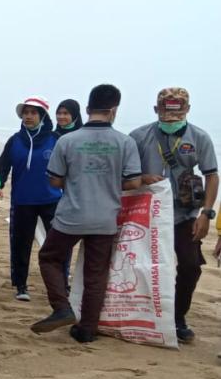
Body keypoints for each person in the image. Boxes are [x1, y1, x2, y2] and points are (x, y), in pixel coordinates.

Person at [31, 84, 142, 343]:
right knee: (96, 273)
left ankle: (61, 307)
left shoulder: (68, 140)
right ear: (114, 110)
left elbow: (55, 182)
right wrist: (109, 180)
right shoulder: (125, 142)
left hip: (71, 215)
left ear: (88, 109)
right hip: (105, 218)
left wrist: (78, 178)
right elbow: (134, 182)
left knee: (49, 258)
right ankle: (87, 330)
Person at [130, 87, 217, 343]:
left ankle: (177, 318)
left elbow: (212, 175)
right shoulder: (139, 136)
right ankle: (142, 311)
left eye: (177, 116)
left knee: (190, 266)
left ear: (187, 110)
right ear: (156, 110)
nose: (171, 121)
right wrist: (143, 178)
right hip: (146, 214)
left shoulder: (199, 137)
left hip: (184, 214)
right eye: (166, 115)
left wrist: (206, 214)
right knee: (142, 265)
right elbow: (125, 174)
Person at [0, 96, 62, 301]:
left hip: (51, 200)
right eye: (25, 113)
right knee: (21, 244)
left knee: (57, 244)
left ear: (42, 116)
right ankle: (21, 285)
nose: (28, 116)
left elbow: (68, 167)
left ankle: (61, 283)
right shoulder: (14, 141)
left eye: (33, 113)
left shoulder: (55, 139)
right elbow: (3, 167)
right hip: (22, 200)